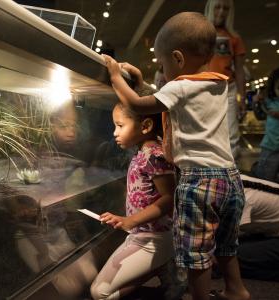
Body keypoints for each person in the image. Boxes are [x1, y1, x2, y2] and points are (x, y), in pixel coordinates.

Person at [102, 12, 250, 300]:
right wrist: (143, 79)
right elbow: (165, 99)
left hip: (200, 181)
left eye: (162, 62)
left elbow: (139, 104)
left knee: (195, 250)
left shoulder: (179, 86)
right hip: (230, 177)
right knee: (225, 243)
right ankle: (237, 290)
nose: (162, 68)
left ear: (178, 59)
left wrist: (115, 76)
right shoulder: (218, 84)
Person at [90, 103, 177, 299]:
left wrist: (130, 221)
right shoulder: (144, 151)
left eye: (120, 126)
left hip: (155, 237)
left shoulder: (154, 155)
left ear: (145, 126)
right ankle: (159, 267)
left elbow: (170, 198)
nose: (114, 132)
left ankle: (162, 264)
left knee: (99, 293)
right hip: (141, 234)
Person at [205, 0, 247, 159]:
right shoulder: (201, 34)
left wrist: (242, 98)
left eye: (226, 8)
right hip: (204, 87)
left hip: (228, 88)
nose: (221, 12)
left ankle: (232, 175)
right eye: (218, 7)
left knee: (231, 135)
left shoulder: (234, 38)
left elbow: (240, 70)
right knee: (206, 131)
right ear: (211, 8)